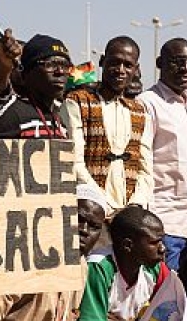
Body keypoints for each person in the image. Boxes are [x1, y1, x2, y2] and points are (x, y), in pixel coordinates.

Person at [61, 36, 154, 212]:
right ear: (103, 62)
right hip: (90, 210)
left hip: (129, 213)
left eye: (128, 65)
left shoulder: (139, 111)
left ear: (136, 69)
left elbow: (145, 169)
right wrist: (105, 206)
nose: (121, 70)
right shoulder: (78, 102)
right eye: (114, 62)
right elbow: (74, 162)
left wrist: (134, 206)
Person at [135, 38, 187, 269]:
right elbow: (141, 162)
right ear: (159, 63)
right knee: (161, 300)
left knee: (182, 299)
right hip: (163, 222)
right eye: (177, 62)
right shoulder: (148, 103)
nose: (185, 69)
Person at [0, 34, 71, 139]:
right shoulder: (11, 114)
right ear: (26, 72)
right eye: (50, 64)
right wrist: (2, 70)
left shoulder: (58, 121)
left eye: (65, 66)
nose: (60, 71)